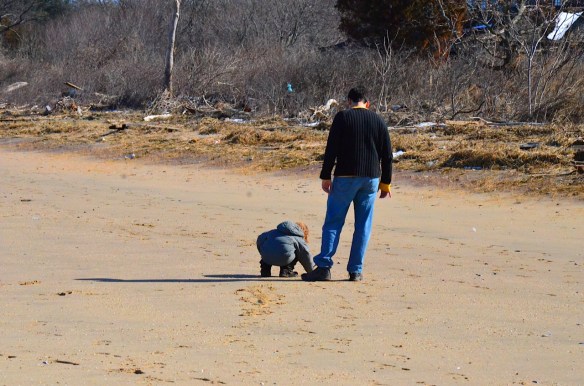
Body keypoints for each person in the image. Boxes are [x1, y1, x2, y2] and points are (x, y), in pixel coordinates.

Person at [301, 86, 392, 282]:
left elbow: (331, 148)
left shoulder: (343, 117)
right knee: (363, 226)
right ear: (367, 103)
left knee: (333, 222)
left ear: (349, 101)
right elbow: (387, 155)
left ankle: (324, 266)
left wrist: (326, 176)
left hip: (345, 177)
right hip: (371, 179)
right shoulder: (378, 120)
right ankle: (356, 271)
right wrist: (386, 184)